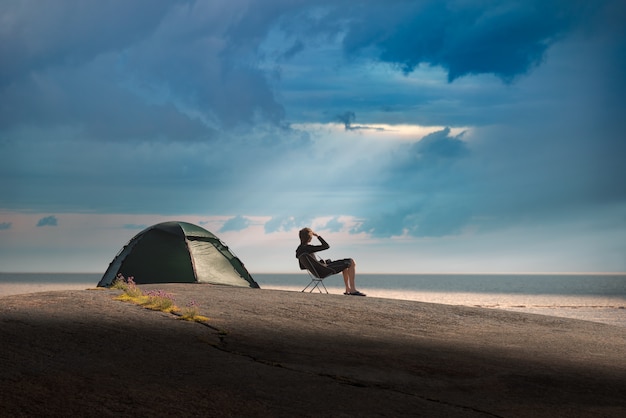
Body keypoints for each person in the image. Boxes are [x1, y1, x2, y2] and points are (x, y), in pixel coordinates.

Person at [296, 227, 365, 296]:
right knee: (351, 261)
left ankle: (348, 289)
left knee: (345, 264)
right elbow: (326, 246)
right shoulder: (308, 248)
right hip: (324, 270)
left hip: (320, 270)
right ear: (309, 238)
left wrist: (320, 262)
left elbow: (302, 266)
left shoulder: (299, 250)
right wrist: (318, 236)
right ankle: (352, 290)